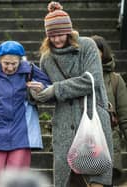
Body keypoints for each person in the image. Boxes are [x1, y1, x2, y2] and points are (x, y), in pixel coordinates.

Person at [28, 2, 113, 187]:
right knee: (65, 178)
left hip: (93, 116)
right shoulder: (47, 58)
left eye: (60, 34)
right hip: (65, 124)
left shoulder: (87, 46)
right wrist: (38, 93)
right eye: (52, 36)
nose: (57, 39)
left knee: (98, 175)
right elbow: (49, 92)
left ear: (69, 30)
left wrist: (55, 89)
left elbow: (92, 80)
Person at [0, 40, 51, 187]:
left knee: (17, 177)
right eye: (6, 63)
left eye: (14, 63)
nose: (10, 67)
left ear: (20, 60)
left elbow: (49, 87)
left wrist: (40, 89)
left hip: (21, 130)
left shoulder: (29, 70)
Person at [91, 35, 127, 186]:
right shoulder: (77, 77)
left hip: (109, 142)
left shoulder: (115, 80)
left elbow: (124, 116)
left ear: (103, 53)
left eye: (95, 51)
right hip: (83, 143)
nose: (92, 55)